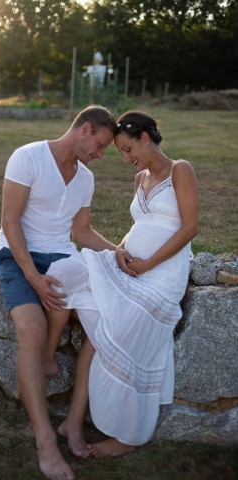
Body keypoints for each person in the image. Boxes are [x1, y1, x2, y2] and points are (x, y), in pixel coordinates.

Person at [46, 110, 199, 458]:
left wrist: (148, 263)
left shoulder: (180, 170)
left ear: (145, 137)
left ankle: (129, 435)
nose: (127, 159)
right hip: (135, 270)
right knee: (90, 316)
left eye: (128, 149)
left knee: (116, 339)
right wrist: (120, 252)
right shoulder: (139, 179)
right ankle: (73, 420)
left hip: (161, 278)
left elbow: (189, 228)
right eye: (121, 153)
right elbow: (140, 226)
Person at [0, 105, 117, 480]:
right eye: (99, 145)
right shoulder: (28, 156)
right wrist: (32, 277)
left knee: (104, 322)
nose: (100, 154)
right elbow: (9, 221)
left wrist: (118, 254)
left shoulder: (85, 179)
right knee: (31, 331)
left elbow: (81, 233)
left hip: (64, 258)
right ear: (84, 129)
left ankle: (73, 424)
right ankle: (45, 440)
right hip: (18, 256)